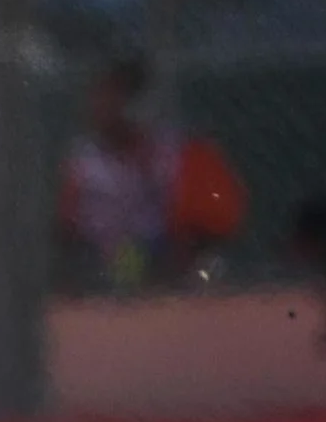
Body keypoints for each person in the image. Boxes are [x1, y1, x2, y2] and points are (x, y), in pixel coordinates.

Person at [54, 57, 249, 292]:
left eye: (115, 98)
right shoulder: (84, 159)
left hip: (165, 253)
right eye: (99, 97)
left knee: (206, 266)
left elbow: (210, 219)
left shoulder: (174, 151)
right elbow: (67, 225)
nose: (101, 107)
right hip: (104, 259)